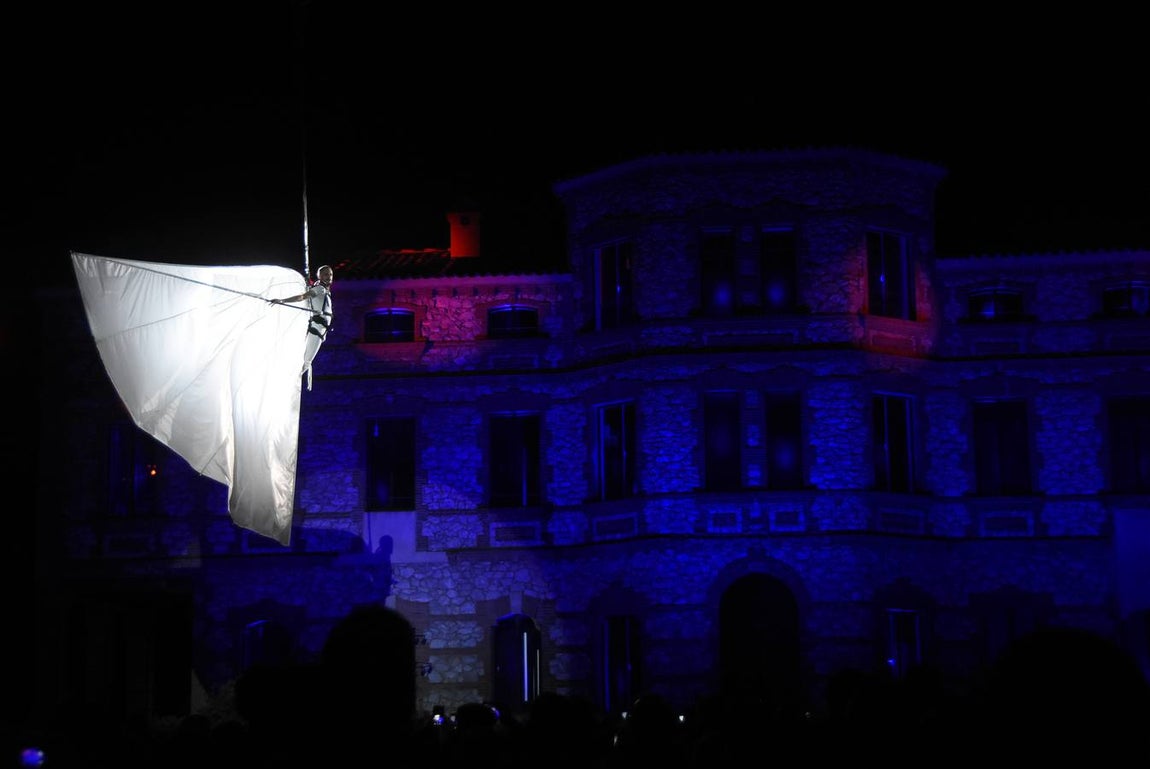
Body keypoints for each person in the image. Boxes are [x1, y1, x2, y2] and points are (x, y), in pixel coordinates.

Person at [271, 264, 333, 389]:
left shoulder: (324, 290)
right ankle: (288, 383)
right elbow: (302, 297)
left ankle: (290, 380)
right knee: (306, 361)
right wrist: (283, 301)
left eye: (330, 274)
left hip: (320, 329)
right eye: (326, 274)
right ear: (319, 276)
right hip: (317, 328)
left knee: (307, 360)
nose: (329, 277)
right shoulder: (320, 289)